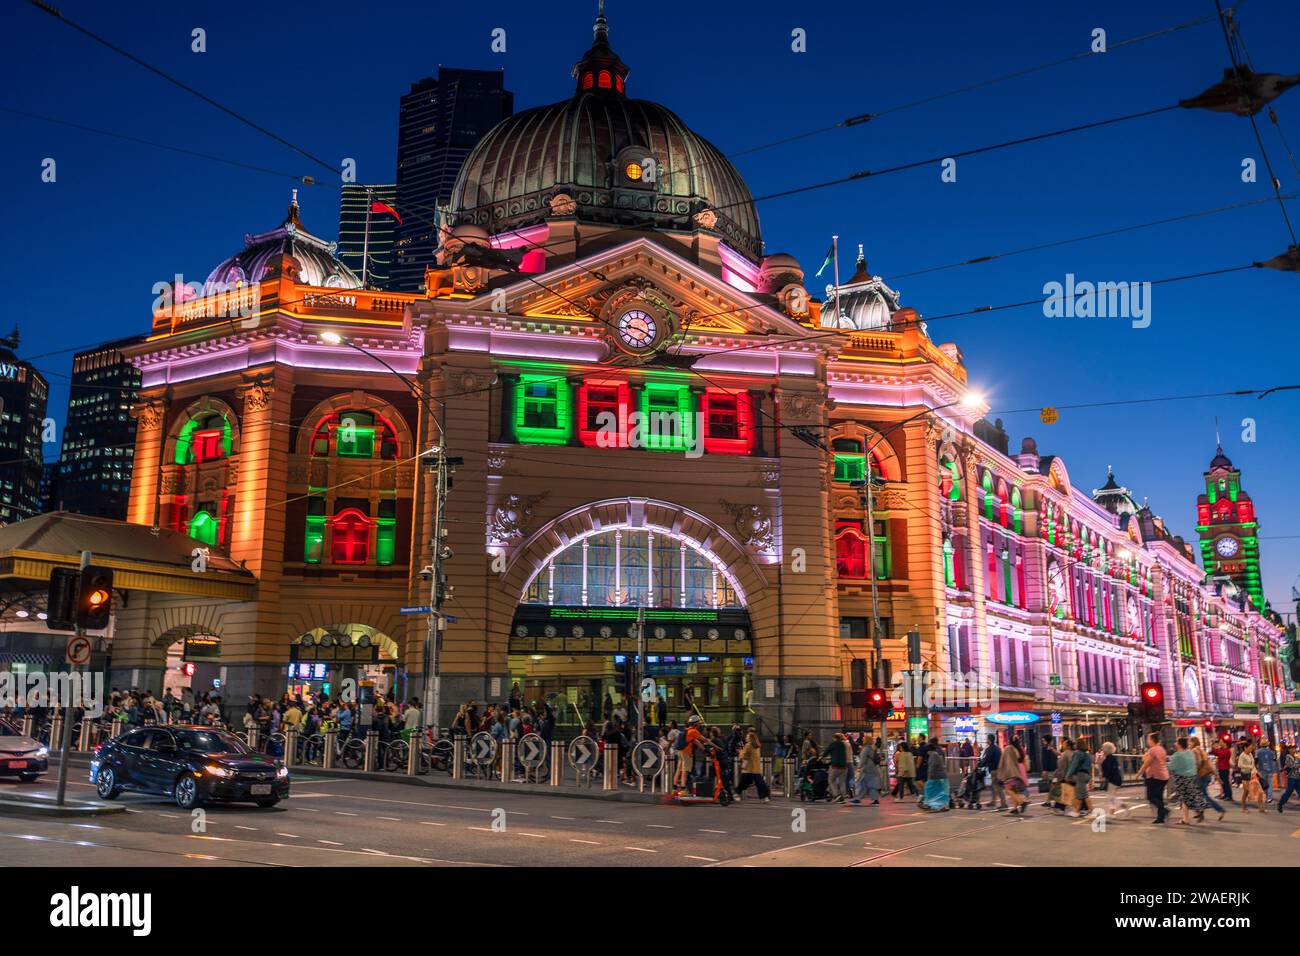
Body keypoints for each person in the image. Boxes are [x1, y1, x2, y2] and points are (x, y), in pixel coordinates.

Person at [1169, 737, 1207, 824]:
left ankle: (1187, 818)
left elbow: (1172, 767)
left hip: (1181, 778)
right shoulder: (1190, 752)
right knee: (1191, 795)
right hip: (1192, 776)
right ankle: (1197, 810)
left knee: (1183, 798)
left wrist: (1165, 764)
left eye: (1176, 742)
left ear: (1179, 744)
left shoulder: (1177, 755)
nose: (1175, 743)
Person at [1190, 736, 1226, 821]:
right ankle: (1199, 812)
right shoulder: (1202, 750)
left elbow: (1198, 762)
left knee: (1202, 795)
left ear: (1193, 743)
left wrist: (1193, 771)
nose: (1189, 744)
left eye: (1190, 742)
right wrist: (1216, 776)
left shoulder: (1194, 751)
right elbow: (1209, 764)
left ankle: (1220, 810)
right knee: (1199, 794)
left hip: (1200, 776)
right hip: (1207, 775)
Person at [1139, 732, 1169, 824]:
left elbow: (1146, 763)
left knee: (1151, 797)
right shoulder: (1162, 749)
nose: (1147, 740)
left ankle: (1164, 810)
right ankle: (1160, 817)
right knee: (1158, 797)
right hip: (1163, 775)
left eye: (1148, 739)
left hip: (1154, 776)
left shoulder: (1153, 750)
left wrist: (1139, 772)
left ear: (1152, 740)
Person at [736, 730, 770, 802]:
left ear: (751, 738)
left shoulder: (748, 745)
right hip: (756, 768)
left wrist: (740, 752)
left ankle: (736, 794)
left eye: (747, 736)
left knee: (744, 782)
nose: (746, 737)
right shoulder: (757, 745)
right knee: (760, 783)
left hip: (748, 768)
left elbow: (744, 756)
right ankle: (764, 797)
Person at [998, 739, 1028, 815]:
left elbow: (1002, 760)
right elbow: (1019, 757)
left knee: (1008, 789)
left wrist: (1000, 772)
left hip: (1009, 773)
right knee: (1014, 790)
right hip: (1016, 771)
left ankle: (1021, 802)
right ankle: (1015, 808)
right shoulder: (1017, 749)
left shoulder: (1007, 748)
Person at [1065, 739, 1093, 817]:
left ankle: (1078, 811)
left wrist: (1068, 775)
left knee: (1081, 795)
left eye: (1075, 744)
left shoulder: (1078, 754)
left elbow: (1074, 765)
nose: (1074, 745)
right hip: (1086, 775)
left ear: (1077, 745)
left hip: (1081, 774)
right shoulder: (1087, 754)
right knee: (1083, 794)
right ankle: (1079, 811)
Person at [1238, 741, 1267, 813]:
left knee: (1260, 791)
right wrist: (1249, 767)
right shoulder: (1242, 755)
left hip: (1253, 775)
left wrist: (1256, 772)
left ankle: (1261, 808)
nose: (1251, 750)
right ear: (1245, 748)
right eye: (1250, 748)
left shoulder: (1250, 754)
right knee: (1246, 792)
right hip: (1245, 775)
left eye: (1252, 748)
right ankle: (1243, 808)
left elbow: (1253, 764)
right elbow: (1239, 765)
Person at [852, 736, 882, 805]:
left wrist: (858, 767)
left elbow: (863, 760)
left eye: (863, 739)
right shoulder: (872, 748)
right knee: (867, 784)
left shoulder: (865, 749)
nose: (862, 740)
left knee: (866, 784)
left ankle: (872, 800)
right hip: (872, 768)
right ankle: (860, 799)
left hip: (867, 769)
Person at [921, 742, 951, 811]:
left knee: (930, 790)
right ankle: (940, 806)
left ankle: (932, 805)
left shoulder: (933, 755)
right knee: (939, 792)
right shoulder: (935, 754)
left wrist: (929, 776)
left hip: (936, 777)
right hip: (940, 777)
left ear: (929, 750)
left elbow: (932, 767)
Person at [982, 734, 1006, 810]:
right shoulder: (997, 748)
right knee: (994, 786)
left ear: (989, 740)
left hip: (994, 770)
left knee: (997, 787)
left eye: (987, 739)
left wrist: (980, 765)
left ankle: (1003, 804)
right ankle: (993, 801)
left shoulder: (990, 749)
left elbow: (986, 759)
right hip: (998, 769)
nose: (986, 740)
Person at [826, 733, 851, 803]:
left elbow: (827, 751)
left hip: (835, 766)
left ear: (834, 738)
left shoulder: (833, 744)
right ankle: (843, 797)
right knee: (842, 782)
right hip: (844, 766)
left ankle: (837, 795)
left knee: (831, 780)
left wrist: (821, 757)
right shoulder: (843, 744)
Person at [1277, 744, 1300, 813]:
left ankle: (1280, 804)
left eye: (1294, 749)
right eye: (1292, 749)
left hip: (1298, 777)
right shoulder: (1288, 757)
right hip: (1291, 777)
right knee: (1288, 792)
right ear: (1289, 750)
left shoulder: (1296, 758)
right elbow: (1291, 765)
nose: (1294, 750)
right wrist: (1297, 765)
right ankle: (1280, 804)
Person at [1211, 738, 1234, 802]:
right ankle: (1225, 795)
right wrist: (1213, 748)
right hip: (1221, 768)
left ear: (1225, 743)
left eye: (1221, 742)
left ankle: (1229, 796)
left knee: (1226, 782)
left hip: (1225, 768)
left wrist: (1217, 749)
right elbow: (1214, 753)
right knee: (1223, 782)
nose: (1219, 743)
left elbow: (1220, 754)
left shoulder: (1227, 750)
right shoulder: (1222, 750)